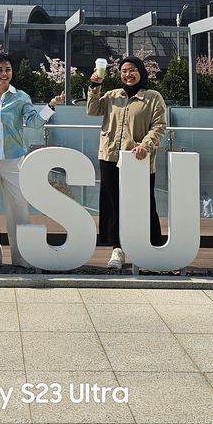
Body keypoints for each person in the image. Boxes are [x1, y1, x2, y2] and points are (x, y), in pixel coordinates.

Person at [0, 54, 64, 266]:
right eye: (0, 70)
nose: (4, 74)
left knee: (18, 207)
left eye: (8, 69)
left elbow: (33, 122)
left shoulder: (21, 97)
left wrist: (50, 105)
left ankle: (22, 256)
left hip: (13, 159)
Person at [86, 56, 167, 269]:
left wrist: (145, 145)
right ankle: (117, 249)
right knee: (113, 205)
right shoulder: (112, 96)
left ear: (141, 72)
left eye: (132, 70)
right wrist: (95, 85)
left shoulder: (152, 97)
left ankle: (154, 249)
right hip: (110, 157)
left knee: (145, 205)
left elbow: (159, 126)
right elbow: (92, 110)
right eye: (123, 71)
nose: (128, 75)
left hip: (138, 159)